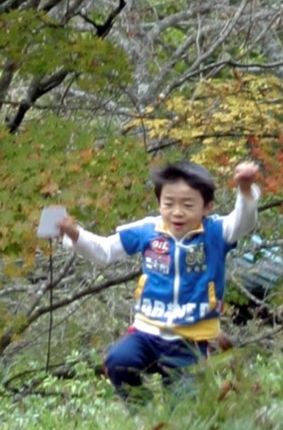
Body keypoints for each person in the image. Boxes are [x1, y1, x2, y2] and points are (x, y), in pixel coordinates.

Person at [56, 158, 261, 399]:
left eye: (187, 204)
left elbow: (243, 223)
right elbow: (105, 251)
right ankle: (144, 412)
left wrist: (245, 189)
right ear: (159, 203)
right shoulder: (148, 231)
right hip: (147, 332)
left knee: (183, 405)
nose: (177, 212)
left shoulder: (215, 232)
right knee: (118, 361)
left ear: (206, 208)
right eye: (169, 203)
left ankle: (169, 427)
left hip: (190, 339)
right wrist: (74, 233)